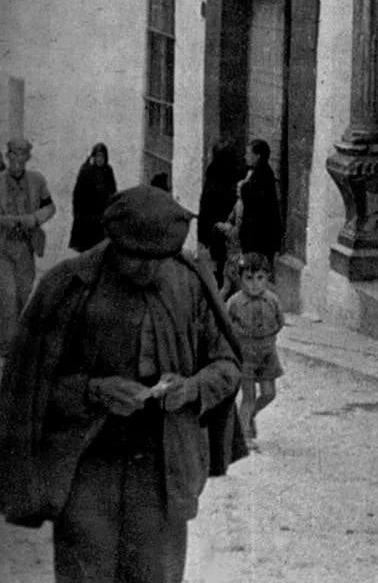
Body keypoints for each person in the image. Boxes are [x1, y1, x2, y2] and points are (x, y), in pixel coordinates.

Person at [0, 184, 246, 583]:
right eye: (137, 259)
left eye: (159, 258)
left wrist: (191, 388)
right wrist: (94, 390)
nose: (149, 269)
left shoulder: (188, 284)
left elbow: (227, 366)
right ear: (114, 242)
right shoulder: (68, 288)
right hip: (86, 465)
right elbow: (30, 390)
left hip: (161, 472)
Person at [0, 137, 55, 355]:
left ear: (28, 157)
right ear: (7, 155)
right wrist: (7, 220)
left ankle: (9, 335)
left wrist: (35, 218)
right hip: (3, 247)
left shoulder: (37, 181)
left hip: (26, 246)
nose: (17, 159)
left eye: (22, 154)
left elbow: (50, 207)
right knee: (8, 294)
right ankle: (8, 346)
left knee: (23, 292)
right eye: (13, 154)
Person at [226, 251, 284, 447]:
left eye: (260, 278)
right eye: (248, 278)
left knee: (269, 393)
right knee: (248, 397)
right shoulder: (235, 302)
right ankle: (244, 437)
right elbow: (225, 324)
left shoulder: (272, 300)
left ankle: (250, 417)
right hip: (245, 355)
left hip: (267, 353)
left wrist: (269, 338)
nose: (254, 284)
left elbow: (279, 321)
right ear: (241, 279)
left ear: (268, 277)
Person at [198, 140, 241, 287]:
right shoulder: (234, 173)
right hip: (225, 222)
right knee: (223, 256)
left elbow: (205, 203)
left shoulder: (213, 173)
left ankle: (222, 282)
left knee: (219, 256)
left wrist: (202, 230)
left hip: (217, 222)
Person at [238, 139, 283, 274]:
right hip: (258, 232)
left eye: (248, 153)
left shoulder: (261, 174)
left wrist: (243, 185)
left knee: (255, 270)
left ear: (257, 156)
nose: (246, 157)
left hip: (259, 233)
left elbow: (252, 200)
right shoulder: (260, 171)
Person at [68, 143, 117, 252]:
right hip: (87, 218)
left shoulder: (108, 171)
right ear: (94, 156)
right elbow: (77, 195)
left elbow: (113, 192)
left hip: (101, 217)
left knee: (100, 250)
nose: (100, 159)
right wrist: (77, 214)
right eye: (98, 156)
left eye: (102, 156)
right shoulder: (86, 171)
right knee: (86, 250)